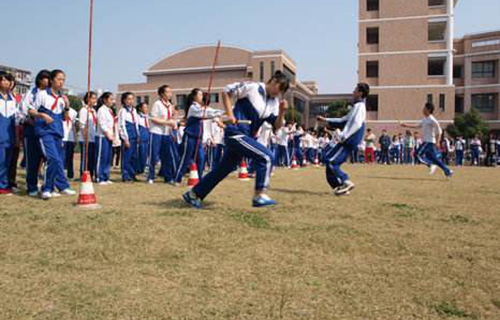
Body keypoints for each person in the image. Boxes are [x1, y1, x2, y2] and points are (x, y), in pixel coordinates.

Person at [183, 71, 290, 208]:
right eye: (279, 89)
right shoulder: (252, 87)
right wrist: (230, 114)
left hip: (247, 136)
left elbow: (276, 126)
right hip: (236, 133)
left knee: (224, 168)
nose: (279, 93)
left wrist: (282, 112)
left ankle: (193, 194)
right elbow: (226, 91)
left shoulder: (274, 102)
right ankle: (259, 194)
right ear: (274, 81)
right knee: (266, 156)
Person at [28, 69, 76, 199]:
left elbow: (65, 117)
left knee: (58, 161)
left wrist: (66, 106)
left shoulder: (62, 98)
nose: (61, 82)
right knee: (52, 158)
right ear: (52, 80)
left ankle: (62, 186)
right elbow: (31, 110)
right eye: (59, 79)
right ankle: (46, 188)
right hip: (44, 132)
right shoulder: (42, 94)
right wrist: (41, 115)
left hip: (57, 132)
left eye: (63, 80)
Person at [317, 83, 370, 196]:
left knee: (331, 162)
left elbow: (356, 124)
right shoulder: (356, 107)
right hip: (347, 139)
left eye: (355, 90)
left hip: (348, 139)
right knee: (329, 162)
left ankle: (346, 181)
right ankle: (340, 187)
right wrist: (325, 119)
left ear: (360, 93)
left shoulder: (360, 107)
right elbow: (342, 120)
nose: (353, 92)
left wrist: (345, 136)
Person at [174, 88, 223, 185]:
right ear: (195, 96)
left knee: (201, 158)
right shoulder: (193, 108)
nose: (202, 97)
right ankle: (177, 178)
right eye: (200, 95)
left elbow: (209, 113)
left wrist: (223, 112)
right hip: (190, 136)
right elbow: (204, 113)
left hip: (199, 138)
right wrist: (221, 112)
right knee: (186, 158)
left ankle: (200, 180)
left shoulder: (200, 108)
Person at [401, 103, 453, 178]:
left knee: (417, 154)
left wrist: (438, 142)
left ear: (428, 110)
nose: (423, 110)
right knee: (434, 159)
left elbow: (439, 131)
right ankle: (448, 171)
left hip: (429, 142)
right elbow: (417, 126)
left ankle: (430, 165)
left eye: (424, 108)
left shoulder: (432, 119)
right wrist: (406, 125)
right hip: (427, 142)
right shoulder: (425, 119)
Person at [20, 70, 50, 196]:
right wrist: (32, 121)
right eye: (46, 78)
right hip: (31, 129)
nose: (48, 81)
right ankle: (31, 186)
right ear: (40, 79)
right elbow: (23, 111)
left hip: (46, 131)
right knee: (32, 159)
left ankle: (48, 186)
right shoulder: (31, 93)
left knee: (49, 158)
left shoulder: (50, 94)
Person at [148, 85, 179, 184]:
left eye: (171, 92)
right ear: (162, 94)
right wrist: (167, 122)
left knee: (167, 156)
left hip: (167, 133)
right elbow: (153, 118)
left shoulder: (170, 105)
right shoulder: (157, 104)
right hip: (156, 132)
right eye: (168, 92)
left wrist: (173, 123)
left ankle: (168, 177)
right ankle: (150, 176)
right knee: (154, 155)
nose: (170, 94)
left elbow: (171, 119)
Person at [0, 71, 17, 195]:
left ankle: (5, 184)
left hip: (10, 135)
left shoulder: (12, 99)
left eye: (8, 80)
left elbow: (15, 119)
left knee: (7, 162)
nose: (6, 82)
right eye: (3, 80)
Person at [118, 92, 139, 182]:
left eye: (132, 99)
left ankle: (132, 174)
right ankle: (125, 175)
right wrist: (125, 139)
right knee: (127, 157)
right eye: (128, 99)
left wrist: (138, 134)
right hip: (128, 136)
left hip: (134, 135)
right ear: (124, 100)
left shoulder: (134, 111)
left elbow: (136, 124)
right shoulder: (122, 111)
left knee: (134, 157)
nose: (131, 101)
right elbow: (121, 125)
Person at [95, 92, 116, 184]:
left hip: (109, 136)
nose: (112, 101)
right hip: (102, 136)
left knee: (108, 157)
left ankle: (106, 176)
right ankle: (99, 177)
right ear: (105, 100)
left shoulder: (110, 110)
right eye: (111, 99)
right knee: (101, 157)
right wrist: (108, 134)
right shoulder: (101, 110)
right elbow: (102, 124)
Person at [78, 91, 98, 179]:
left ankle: (91, 174)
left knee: (91, 159)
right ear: (87, 99)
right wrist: (86, 137)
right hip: (86, 139)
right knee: (85, 159)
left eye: (95, 98)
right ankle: (83, 174)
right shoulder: (84, 110)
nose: (95, 100)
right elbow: (82, 125)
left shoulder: (94, 111)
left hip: (93, 138)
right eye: (93, 98)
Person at [62, 103, 78, 180]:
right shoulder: (60, 109)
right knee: (63, 157)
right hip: (62, 137)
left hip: (70, 137)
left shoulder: (74, 112)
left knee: (70, 157)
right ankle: (62, 174)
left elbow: (73, 125)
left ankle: (70, 174)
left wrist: (75, 138)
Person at [136, 102, 150, 175]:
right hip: (141, 134)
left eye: (147, 107)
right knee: (141, 153)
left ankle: (145, 167)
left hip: (147, 134)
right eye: (145, 107)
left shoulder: (147, 116)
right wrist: (138, 136)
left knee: (146, 153)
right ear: (140, 108)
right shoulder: (137, 116)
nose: (146, 109)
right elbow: (137, 127)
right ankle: (139, 169)